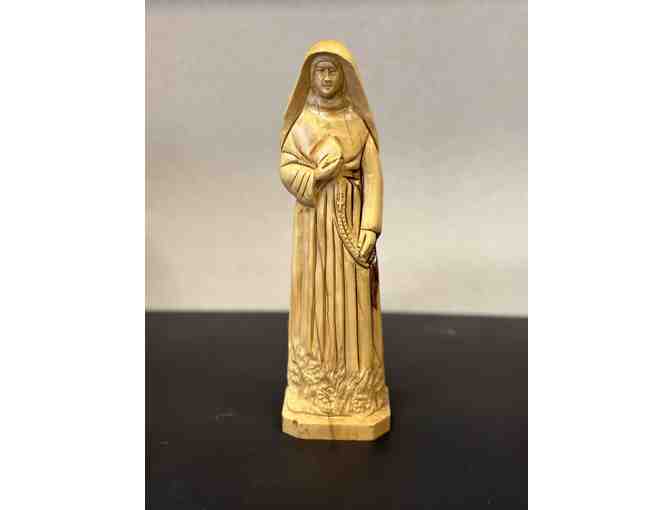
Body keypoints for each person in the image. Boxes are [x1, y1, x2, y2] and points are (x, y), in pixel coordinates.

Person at [279, 40, 388, 417]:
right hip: (313, 229)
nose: (326, 78)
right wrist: (315, 175)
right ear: (309, 77)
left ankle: (357, 381)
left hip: (351, 225)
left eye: (332, 71)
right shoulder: (302, 123)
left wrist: (370, 227)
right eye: (319, 71)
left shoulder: (357, 123)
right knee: (318, 295)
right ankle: (314, 383)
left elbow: (373, 177)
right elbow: (287, 167)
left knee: (352, 298)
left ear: (345, 77)